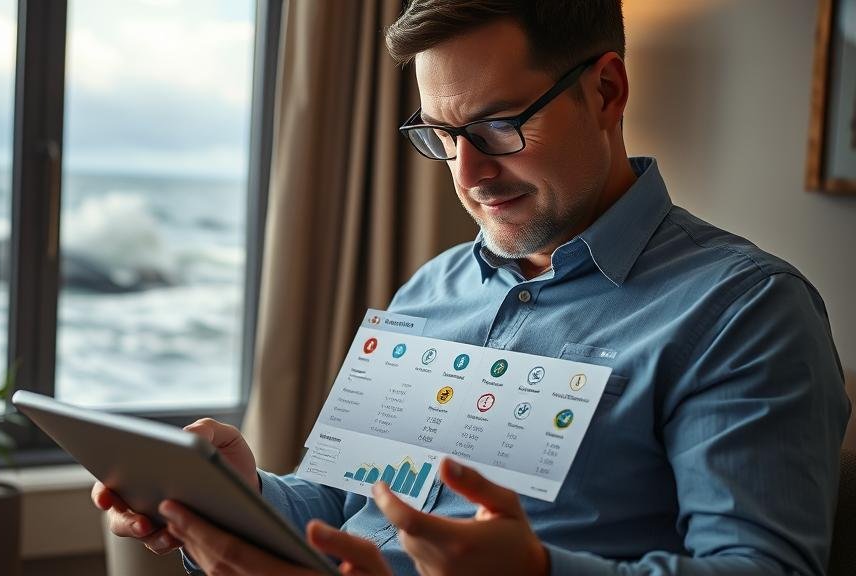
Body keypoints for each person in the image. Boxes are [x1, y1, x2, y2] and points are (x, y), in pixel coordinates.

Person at [93, 1, 850, 574]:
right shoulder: (434, 287)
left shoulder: (745, 313)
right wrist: (246, 492)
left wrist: (540, 572)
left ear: (609, 92)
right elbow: (346, 501)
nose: (468, 175)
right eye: (442, 136)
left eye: (496, 127)